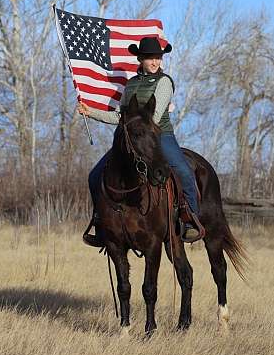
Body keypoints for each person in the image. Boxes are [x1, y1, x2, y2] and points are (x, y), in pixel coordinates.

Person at [79, 36, 202, 245]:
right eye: (150, 58)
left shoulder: (165, 82)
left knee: (183, 171)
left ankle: (190, 218)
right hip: (131, 140)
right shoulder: (132, 84)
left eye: (158, 58)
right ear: (141, 59)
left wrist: (139, 131)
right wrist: (90, 112)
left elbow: (153, 118)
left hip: (159, 136)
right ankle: (100, 222)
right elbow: (120, 116)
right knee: (94, 175)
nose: (155, 62)